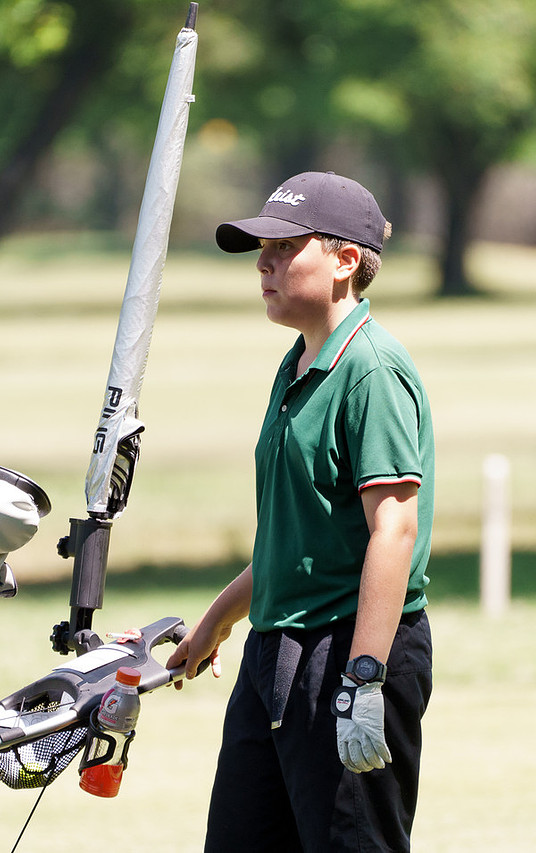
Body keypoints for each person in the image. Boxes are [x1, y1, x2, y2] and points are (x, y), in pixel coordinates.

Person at [166, 171, 435, 852]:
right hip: (274, 650)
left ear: (345, 261)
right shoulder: (295, 367)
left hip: (348, 651)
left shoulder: (372, 370)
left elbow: (394, 529)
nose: (264, 263)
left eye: (285, 248)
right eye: (262, 249)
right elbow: (294, 540)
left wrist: (364, 678)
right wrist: (216, 622)